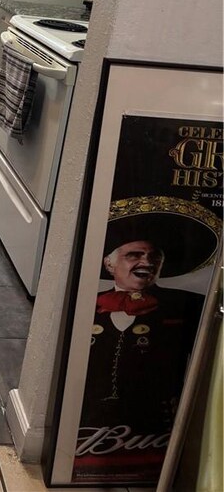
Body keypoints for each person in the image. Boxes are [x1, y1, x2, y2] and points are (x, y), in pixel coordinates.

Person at [74, 197, 220, 482]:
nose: (146, 262)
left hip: (155, 430)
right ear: (109, 263)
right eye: (134, 255)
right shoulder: (84, 302)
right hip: (92, 428)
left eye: (154, 257)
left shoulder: (187, 304)